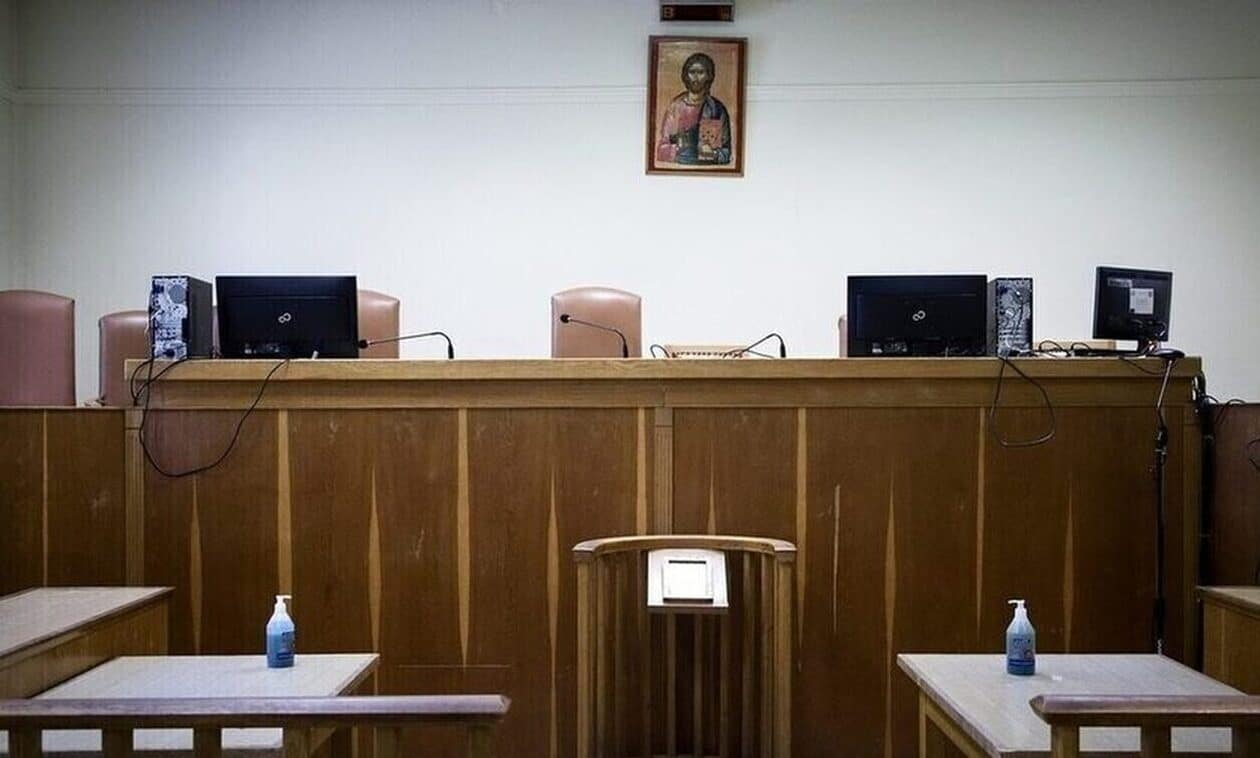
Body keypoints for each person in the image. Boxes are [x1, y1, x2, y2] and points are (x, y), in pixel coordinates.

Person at [655, 52, 732, 166]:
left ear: (708, 76)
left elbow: (726, 154)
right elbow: (661, 150)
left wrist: (712, 153)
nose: (695, 77)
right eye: (692, 72)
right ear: (686, 75)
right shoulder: (676, 107)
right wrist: (680, 147)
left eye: (700, 72)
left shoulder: (716, 109)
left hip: (708, 171)